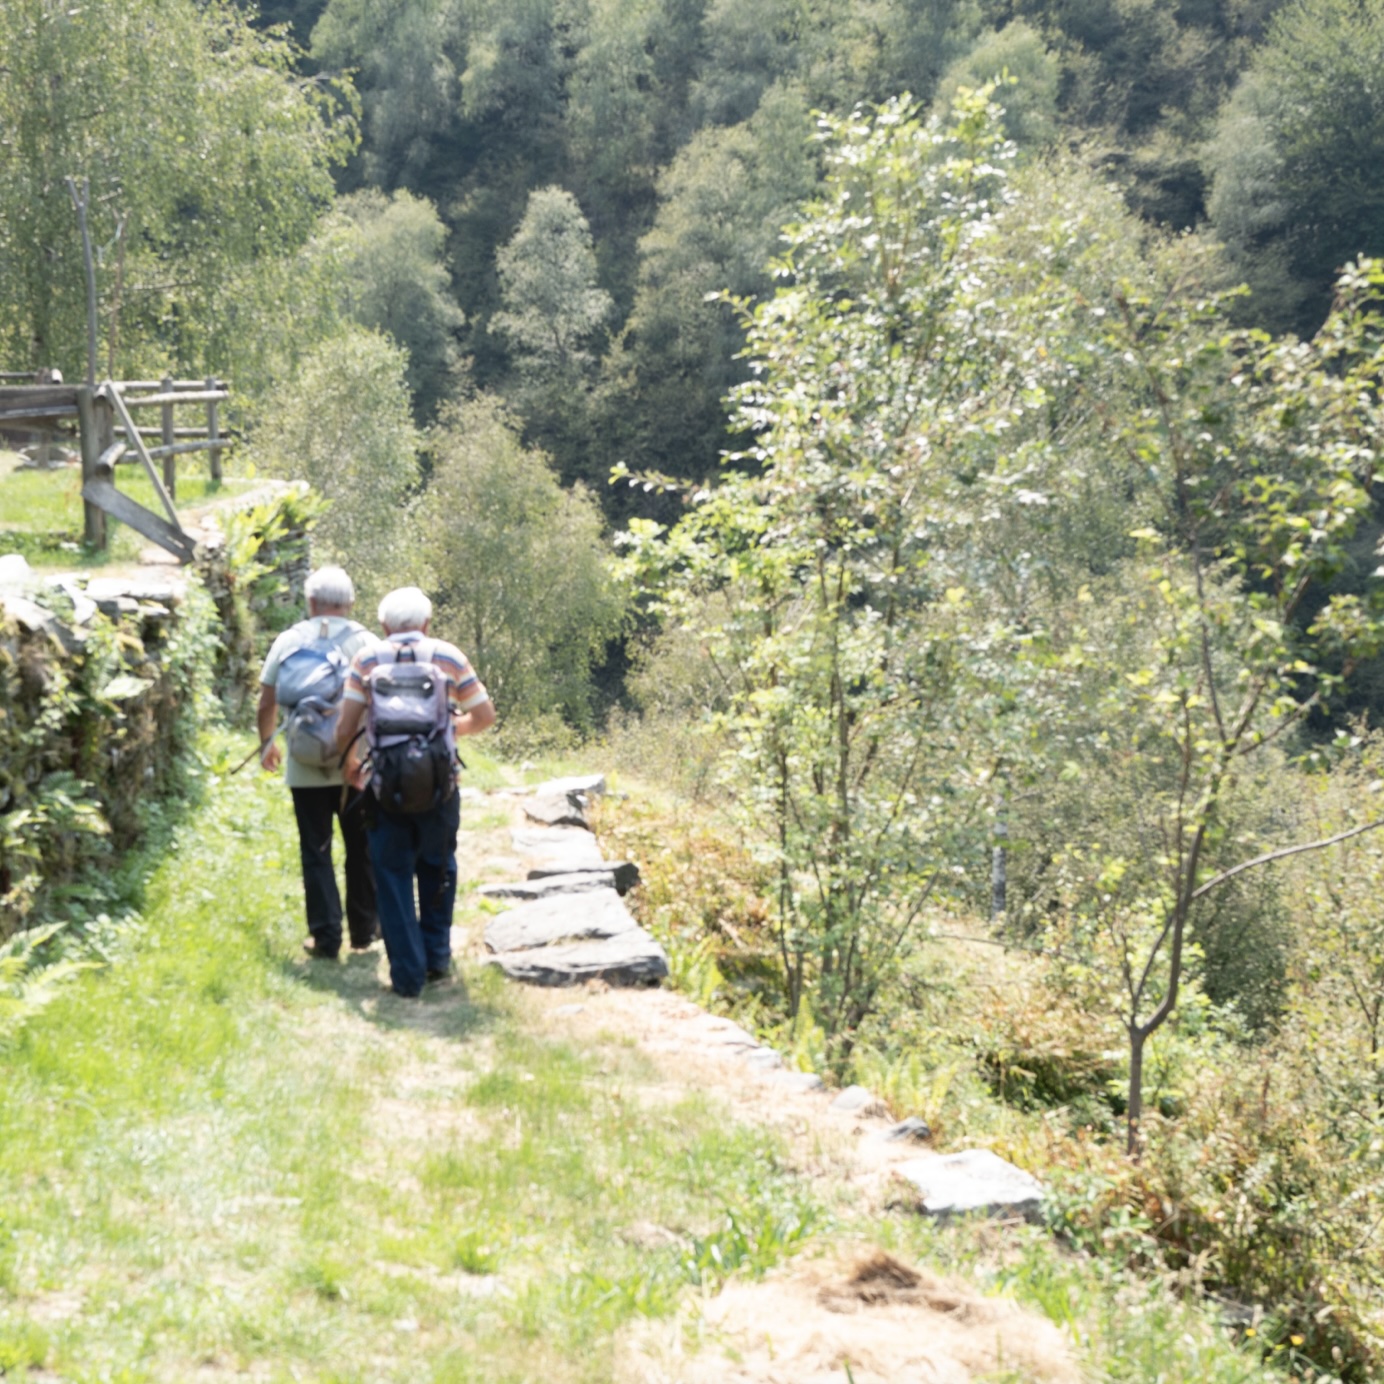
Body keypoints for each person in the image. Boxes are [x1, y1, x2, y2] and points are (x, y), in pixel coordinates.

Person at [335, 587, 496, 997]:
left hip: (384, 785)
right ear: (426, 624)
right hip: (440, 784)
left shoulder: (367, 659)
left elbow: (345, 727)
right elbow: (484, 715)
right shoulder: (449, 656)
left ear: (384, 625)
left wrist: (352, 764)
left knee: (390, 875)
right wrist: (447, 730)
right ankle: (437, 958)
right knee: (438, 866)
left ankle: (407, 974)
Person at [258, 565, 379, 960]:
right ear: (350, 603)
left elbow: (267, 700)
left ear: (311, 603)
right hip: (357, 764)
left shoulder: (289, 640)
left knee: (316, 849)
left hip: (305, 764)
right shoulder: (366, 642)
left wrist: (266, 744)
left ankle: (325, 938)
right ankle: (364, 931)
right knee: (361, 847)